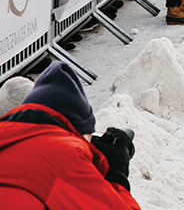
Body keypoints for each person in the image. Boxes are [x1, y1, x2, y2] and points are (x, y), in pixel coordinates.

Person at [0, 61, 140, 209]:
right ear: (76, 132)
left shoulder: (11, 141)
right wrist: (117, 175)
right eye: (88, 138)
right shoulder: (64, 157)